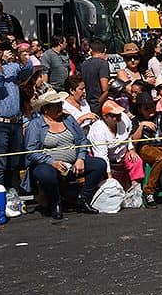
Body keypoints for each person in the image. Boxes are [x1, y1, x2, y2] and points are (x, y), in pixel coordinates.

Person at [22, 89, 106, 220]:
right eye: (55, 106)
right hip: (48, 164)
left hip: (73, 163)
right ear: (46, 109)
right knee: (45, 174)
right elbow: (31, 151)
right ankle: (55, 203)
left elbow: (82, 140)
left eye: (60, 105)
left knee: (99, 164)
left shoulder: (69, 119)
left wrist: (80, 159)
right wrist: (52, 162)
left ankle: (82, 199)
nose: (60, 108)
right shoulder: (36, 125)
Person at [0, 35, 33, 190]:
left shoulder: (11, 67)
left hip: (16, 122)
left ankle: (13, 195)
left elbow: (27, 72)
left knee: (15, 163)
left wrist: (21, 55)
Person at [88, 99, 143, 189]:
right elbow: (102, 156)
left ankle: (135, 190)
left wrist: (131, 149)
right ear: (105, 116)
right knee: (101, 167)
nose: (118, 117)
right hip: (103, 157)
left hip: (122, 152)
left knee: (136, 161)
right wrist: (110, 178)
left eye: (119, 114)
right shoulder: (98, 130)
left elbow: (128, 135)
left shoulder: (124, 119)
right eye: (114, 115)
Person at [79, 40, 111, 114]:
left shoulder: (84, 64)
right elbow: (105, 89)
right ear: (104, 51)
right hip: (98, 103)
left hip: (87, 102)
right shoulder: (103, 64)